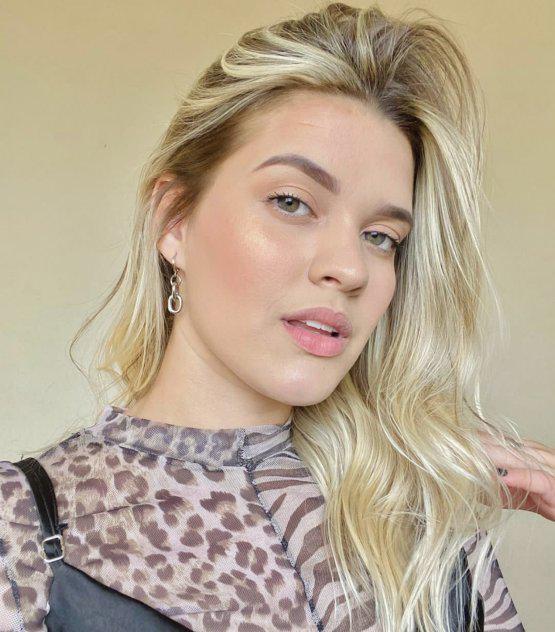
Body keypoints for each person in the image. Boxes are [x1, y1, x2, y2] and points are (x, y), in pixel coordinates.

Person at [1, 3, 553, 631]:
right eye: (292, 202)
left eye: (380, 236)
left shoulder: (425, 531)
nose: (349, 268)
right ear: (174, 220)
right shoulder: (23, 531)